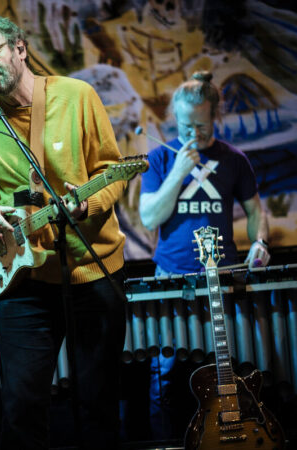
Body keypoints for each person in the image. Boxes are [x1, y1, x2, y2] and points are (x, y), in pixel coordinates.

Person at [0, 16, 128, 450]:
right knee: (21, 409)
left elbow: (112, 171)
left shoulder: (77, 96)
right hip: (23, 278)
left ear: (20, 48)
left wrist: (87, 205)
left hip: (92, 270)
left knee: (98, 405)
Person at [138, 71, 270, 438]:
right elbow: (149, 217)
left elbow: (256, 212)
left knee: (232, 370)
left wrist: (260, 242)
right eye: (184, 125)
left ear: (215, 117)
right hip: (171, 278)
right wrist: (179, 172)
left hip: (223, 278)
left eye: (200, 125)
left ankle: (230, 438)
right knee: (165, 375)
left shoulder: (234, 159)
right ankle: (167, 442)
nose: (192, 132)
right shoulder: (160, 157)